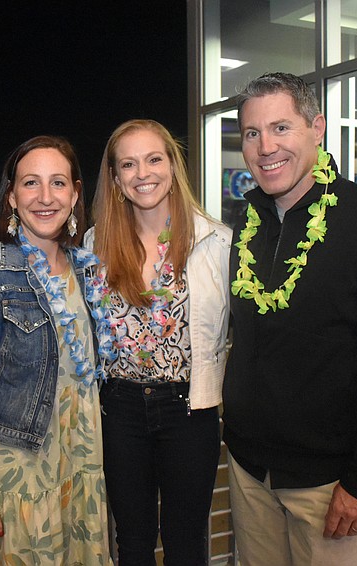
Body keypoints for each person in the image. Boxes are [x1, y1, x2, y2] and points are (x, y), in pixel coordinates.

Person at [222, 72, 357, 565]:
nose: (265, 146)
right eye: (252, 133)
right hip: (250, 472)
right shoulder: (247, 227)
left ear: (316, 129)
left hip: (331, 482)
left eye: (281, 128)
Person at [0, 135, 112, 565]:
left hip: (82, 468)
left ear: (75, 194)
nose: (45, 198)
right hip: (20, 478)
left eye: (58, 183)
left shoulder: (87, 271)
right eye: (31, 183)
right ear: (11, 195)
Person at [86, 119, 232, 565]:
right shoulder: (96, 245)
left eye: (153, 159)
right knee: (132, 541)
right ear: (114, 178)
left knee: (186, 542)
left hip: (190, 409)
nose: (142, 173)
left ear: (172, 165)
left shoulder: (215, 242)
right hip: (121, 410)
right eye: (127, 164)